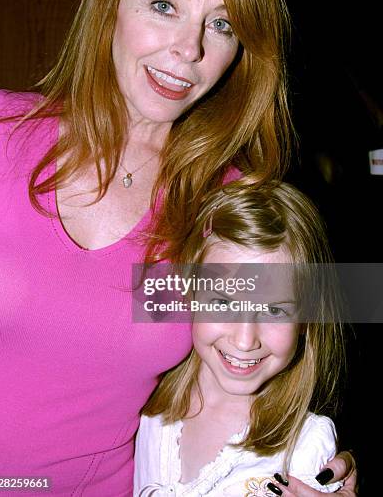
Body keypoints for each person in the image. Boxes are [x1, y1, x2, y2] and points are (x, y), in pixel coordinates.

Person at [0, 0, 355, 495]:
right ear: (111, 5)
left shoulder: (222, 207)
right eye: (164, 5)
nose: (189, 49)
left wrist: (313, 469)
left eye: (223, 24)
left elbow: (296, 331)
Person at [134, 181, 348, 496]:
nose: (245, 340)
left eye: (274, 311)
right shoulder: (146, 403)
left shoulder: (306, 447)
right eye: (223, 304)